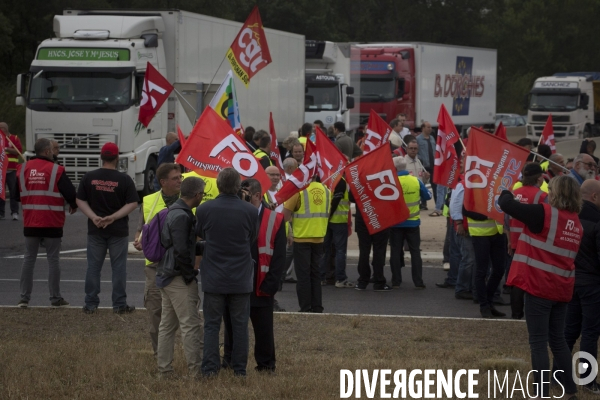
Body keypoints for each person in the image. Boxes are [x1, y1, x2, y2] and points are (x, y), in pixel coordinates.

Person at [499, 175, 582, 399]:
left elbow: (507, 205)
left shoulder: (544, 214)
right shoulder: (575, 222)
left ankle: (542, 393)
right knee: (558, 341)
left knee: (538, 342)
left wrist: (506, 190)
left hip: (539, 286)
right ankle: (570, 391)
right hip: (562, 288)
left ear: (555, 194)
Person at [196, 168, 258, 377]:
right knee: (240, 325)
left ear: (219, 185)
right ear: (238, 186)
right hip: (240, 276)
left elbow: (201, 235)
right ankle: (240, 370)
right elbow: (251, 239)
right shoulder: (250, 211)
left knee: (212, 325)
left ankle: (209, 369)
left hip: (214, 275)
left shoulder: (205, 209)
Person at [223, 178, 286, 373]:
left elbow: (279, 256)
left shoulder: (275, 219)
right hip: (235, 282)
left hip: (261, 284)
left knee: (263, 328)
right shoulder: (233, 215)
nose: (243, 195)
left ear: (258, 195)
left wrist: (271, 284)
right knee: (232, 326)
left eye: (247, 192)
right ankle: (230, 360)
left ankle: (266, 364)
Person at [77, 142, 139, 314]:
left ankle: (90, 304)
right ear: (117, 157)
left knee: (93, 267)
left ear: (101, 156)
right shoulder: (124, 179)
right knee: (118, 267)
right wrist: (113, 217)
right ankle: (119, 304)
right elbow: (133, 203)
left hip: (95, 228)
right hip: (118, 229)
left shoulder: (89, 177)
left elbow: (80, 200)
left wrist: (93, 216)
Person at [16, 138, 77, 308]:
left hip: (31, 221)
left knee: (29, 259)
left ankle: (24, 299)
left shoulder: (22, 169)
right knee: (53, 260)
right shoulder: (57, 170)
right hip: (52, 221)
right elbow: (71, 193)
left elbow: (15, 195)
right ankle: (55, 298)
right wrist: (73, 205)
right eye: (52, 149)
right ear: (47, 151)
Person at [155, 176, 205, 379]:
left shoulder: (173, 210)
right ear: (197, 195)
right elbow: (182, 250)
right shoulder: (183, 216)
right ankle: (195, 372)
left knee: (167, 326)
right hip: (177, 276)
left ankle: (164, 370)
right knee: (190, 325)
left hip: (166, 274)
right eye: (202, 194)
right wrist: (189, 275)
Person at [133, 163, 182, 357]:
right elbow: (140, 229)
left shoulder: (189, 201)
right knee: (155, 313)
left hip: (180, 267)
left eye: (181, 177)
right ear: (163, 182)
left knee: (188, 316)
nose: (180, 180)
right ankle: (160, 355)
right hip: (154, 267)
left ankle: (194, 355)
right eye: (176, 178)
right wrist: (138, 240)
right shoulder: (149, 201)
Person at [563, 179, 600, 393]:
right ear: (594, 196)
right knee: (590, 332)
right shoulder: (597, 220)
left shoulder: (569, 217)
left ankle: (558, 375)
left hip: (570, 280)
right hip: (592, 284)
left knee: (568, 331)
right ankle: (587, 379)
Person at [506, 163, 547, 320]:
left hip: (515, 243)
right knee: (533, 279)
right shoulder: (542, 196)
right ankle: (533, 315)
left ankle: (516, 315)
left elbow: (506, 220)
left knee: (517, 280)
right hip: (533, 244)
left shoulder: (514, 193)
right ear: (539, 178)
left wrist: (509, 241)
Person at [283, 176, 331, 311]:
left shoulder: (298, 191)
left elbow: (285, 216)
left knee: (303, 276)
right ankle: (317, 307)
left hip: (302, 238)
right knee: (315, 275)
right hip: (319, 237)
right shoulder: (326, 190)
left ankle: (305, 307)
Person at [389, 156, 431, 289]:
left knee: (395, 251)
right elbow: (428, 196)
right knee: (415, 252)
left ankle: (396, 280)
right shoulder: (416, 181)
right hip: (413, 223)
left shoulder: (392, 182)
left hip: (396, 223)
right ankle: (418, 281)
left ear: (394, 168)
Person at [464, 196, 507, 318]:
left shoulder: (497, 184)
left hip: (498, 232)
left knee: (499, 270)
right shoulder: (474, 185)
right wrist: (487, 216)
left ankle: (489, 302)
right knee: (482, 271)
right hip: (480, 234)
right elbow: (465, 210)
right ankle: (484, 305)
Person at [320, 177, 353, 288]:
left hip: (325, 220)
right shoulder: (341, 181)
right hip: (338, 220)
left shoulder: (326, 179)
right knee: (340, 251)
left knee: (325, 250)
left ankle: (321, 278)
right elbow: (337, 200)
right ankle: (340, 279)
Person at [0, 122, 22, 220]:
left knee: (13, 192)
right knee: (1, 192)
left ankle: (15, 212)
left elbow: (18, 151)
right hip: (1, 170)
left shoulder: (14, 138)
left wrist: (6, 149)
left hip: (12, 169)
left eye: (1, 128)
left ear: (5, 128)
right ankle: (1, 213)